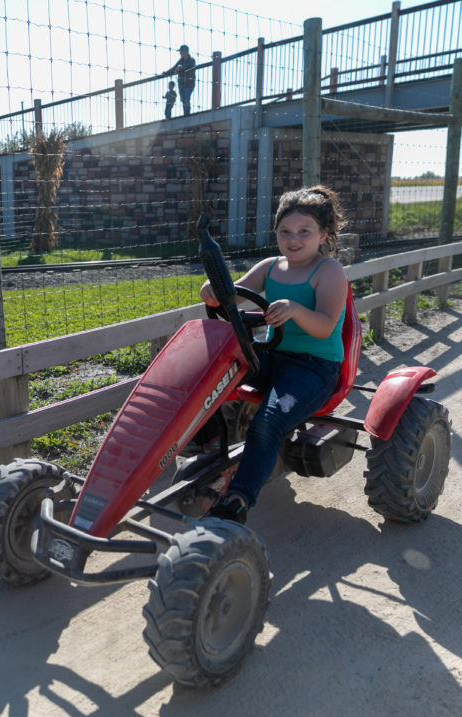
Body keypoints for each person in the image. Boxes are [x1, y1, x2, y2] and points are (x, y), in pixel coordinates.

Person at [199, 185, 349, 524]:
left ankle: (238, 498)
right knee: (205, 372)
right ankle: (206, 445)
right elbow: (231, 299)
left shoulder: (329, 272)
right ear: (276, 233)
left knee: (268, 423)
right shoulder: (270, 266)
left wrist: (295, 309)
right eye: (285, 231)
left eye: (304, 231)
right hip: (271, 356)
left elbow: (325, 327)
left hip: (314, 368)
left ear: (323, 235)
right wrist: (212, 293)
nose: (293, 239)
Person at [165, 44, 196, 116]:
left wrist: (180, 68)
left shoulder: (192, 60)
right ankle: (186, 113)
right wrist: (166, 73)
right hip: (181, 85)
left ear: (186, 51)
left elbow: (188, 66)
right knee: (183, 100)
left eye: (181, 51)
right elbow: (174, 68)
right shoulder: (180, 61)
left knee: (186, 98)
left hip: (189, 84)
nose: (180, 53)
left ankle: (187, 114)